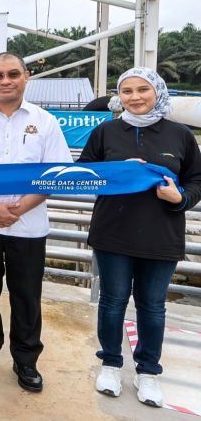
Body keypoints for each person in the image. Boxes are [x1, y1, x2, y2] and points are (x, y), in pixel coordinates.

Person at [79, 67, 201, 408]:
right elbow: (84, 175)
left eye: (142, 90)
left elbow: (196, 180)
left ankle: (148, 371)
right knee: (112, 301)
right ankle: (111, 364)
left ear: (157, 92)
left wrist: (181, 199)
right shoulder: (106, 132)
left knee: (152, 306)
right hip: (112, 233)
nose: (135, 97)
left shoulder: (180, 134)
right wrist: (115, 173)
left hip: (161, 235)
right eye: (127, 91)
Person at [0, 53, 71, 393]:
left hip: (29, 227)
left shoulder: (45, 121)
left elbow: (55, 174)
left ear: (26, 77)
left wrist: (19, 209)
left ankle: (26, 360)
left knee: (27, 296)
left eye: (13, 74)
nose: (5, 80)